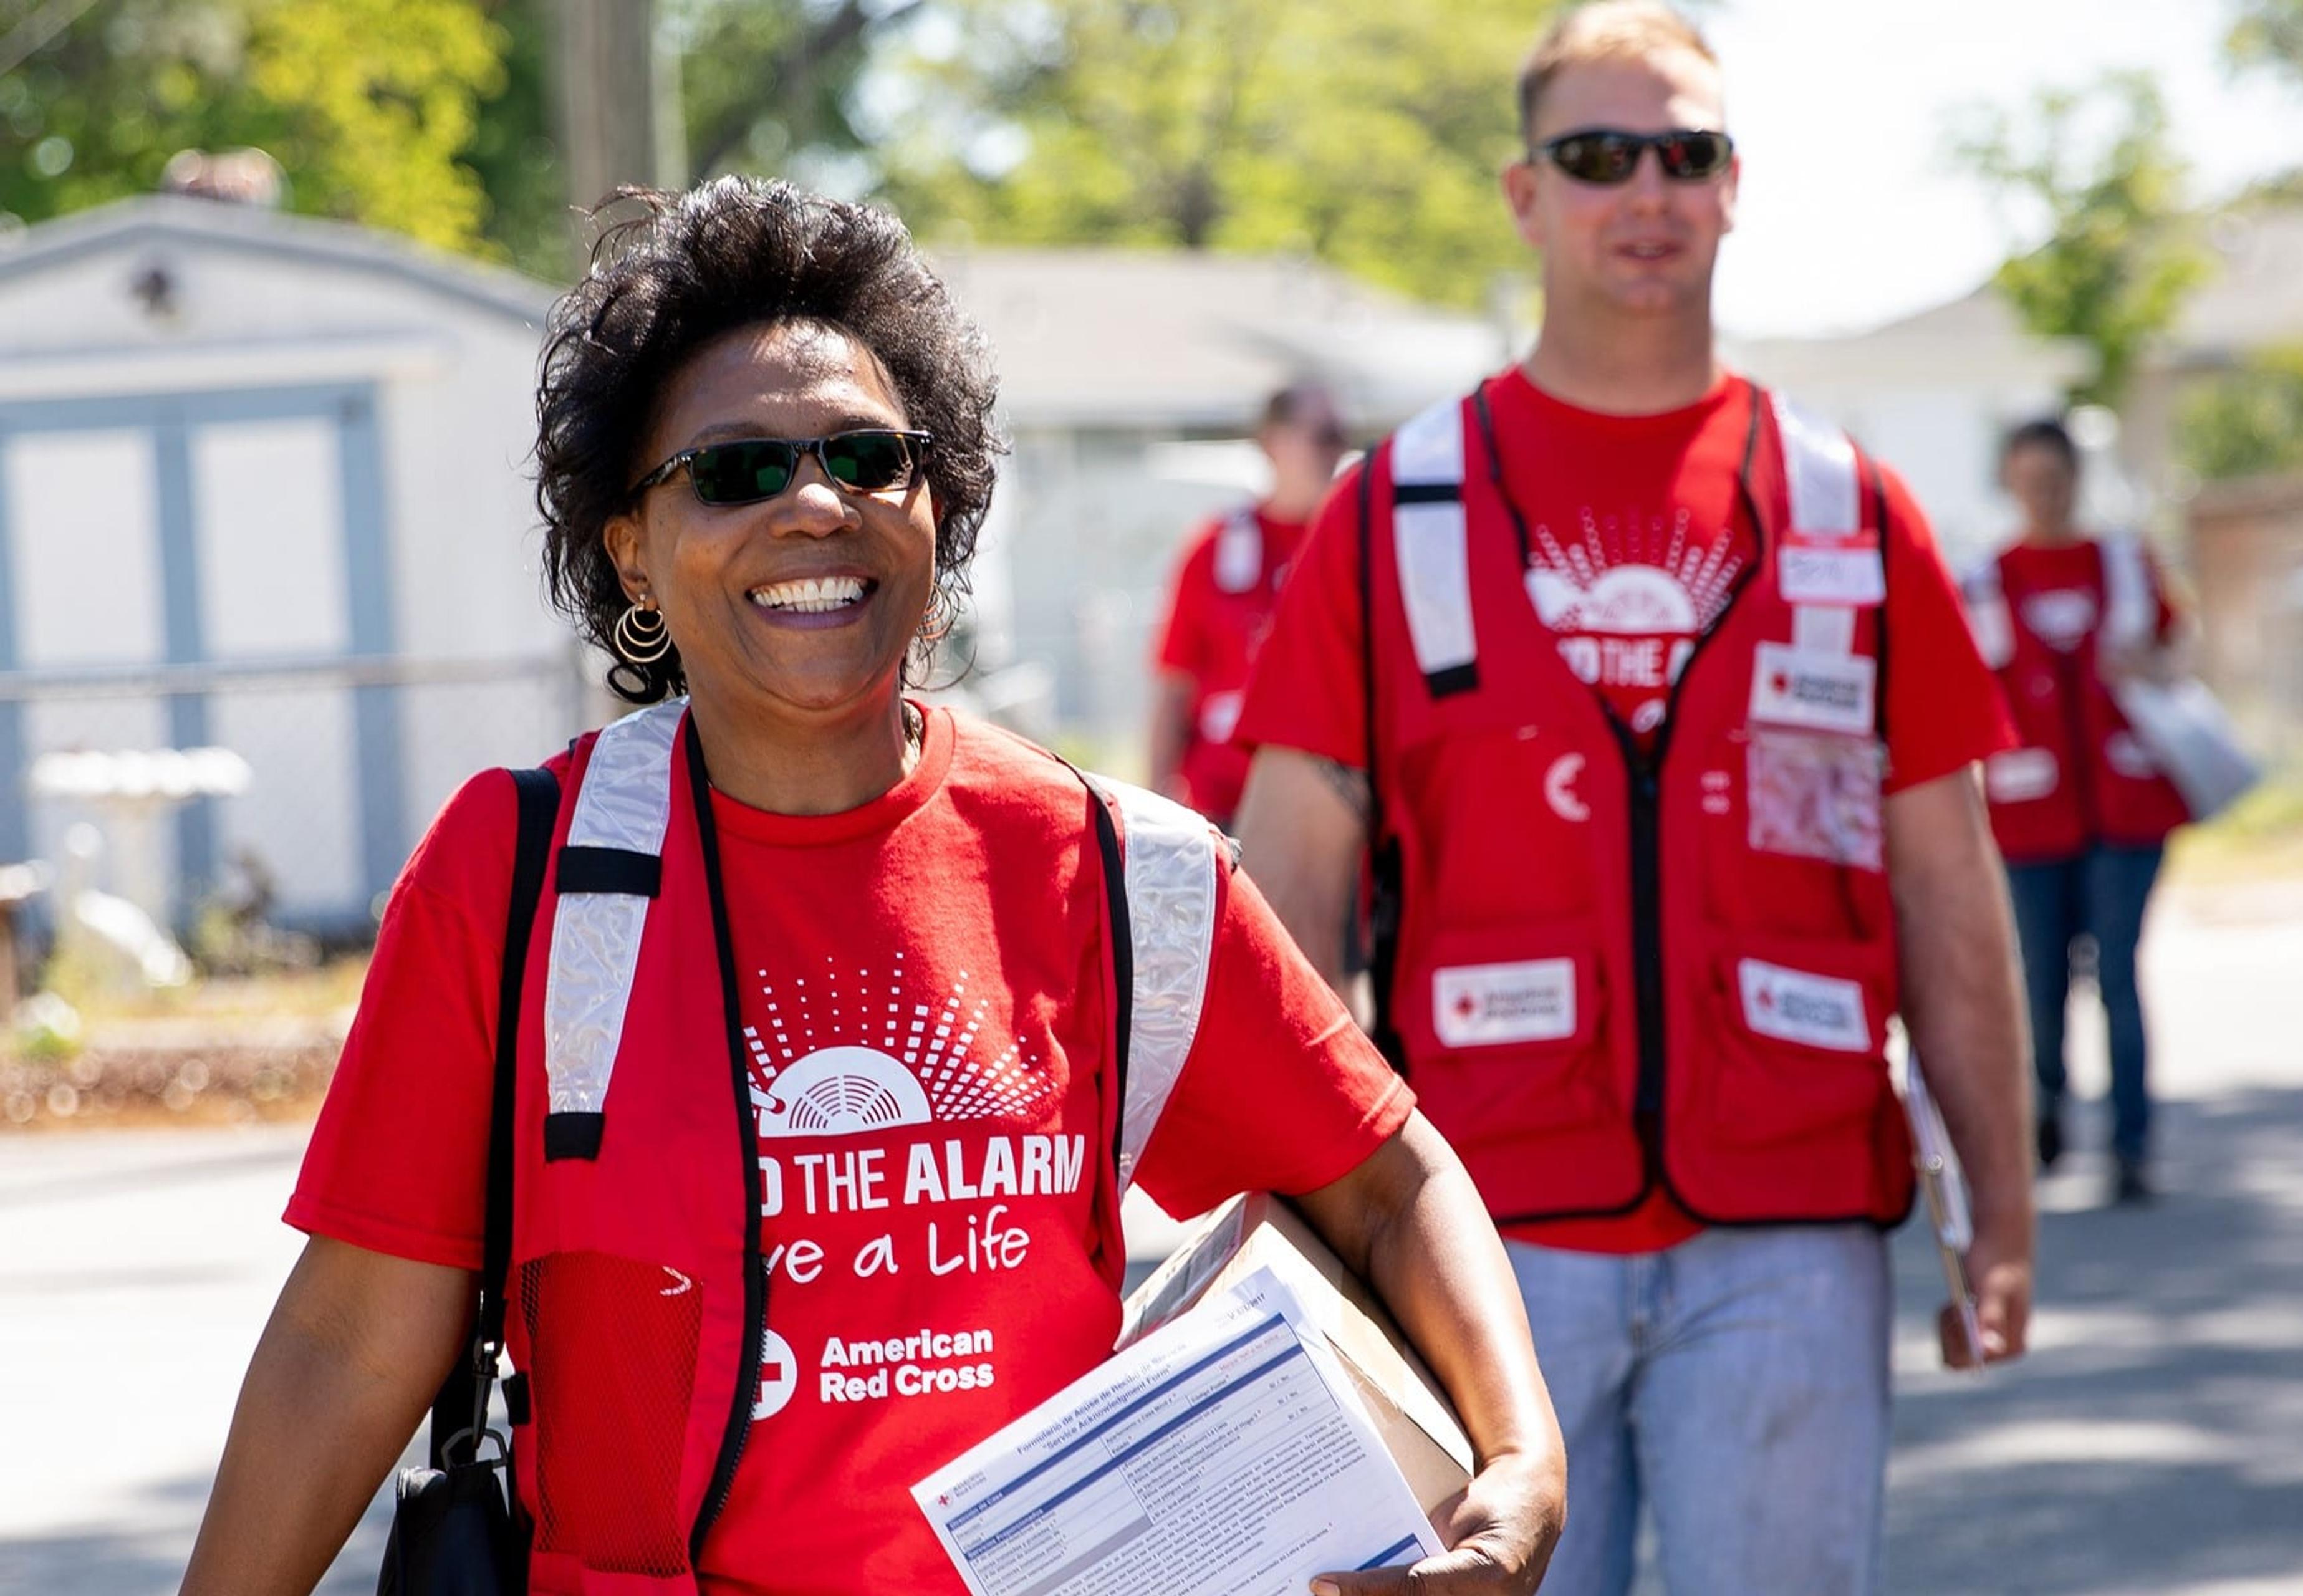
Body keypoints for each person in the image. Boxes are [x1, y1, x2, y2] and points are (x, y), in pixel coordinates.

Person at [180, 180, 1562, 1596]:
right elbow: (349, 1342)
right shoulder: (517, 872)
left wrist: (1520, 1459)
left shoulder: (1112, 870)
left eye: (867, 456)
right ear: (631, 550)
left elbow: (1389, 1184)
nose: (816, 502)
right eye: (734, 470)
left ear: (939, 511)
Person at [1229, 6, 2036, 1592]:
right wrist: (1295, 1234)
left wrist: (1998, 1201)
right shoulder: (1390, 515)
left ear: (1734, 187)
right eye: (1597, 157)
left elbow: (1949, 882)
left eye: (1686, 154)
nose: (1645, 192)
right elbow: (1286, 908)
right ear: (1525, 195)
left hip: (1791, 1233)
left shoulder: (1847, 509)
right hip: (1481, 1247)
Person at [1965, 418, 2190, 1205]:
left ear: (2073, 478)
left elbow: (2177, 648)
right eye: (2028, 480)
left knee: (2119, 972)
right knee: (2042, 976)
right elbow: (1966, 693)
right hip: (2032, 818)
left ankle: (2132, 1144)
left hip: (2126, 810)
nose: (2043, 494)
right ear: (2010, 482)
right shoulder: (1988, 580)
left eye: (2054, 478)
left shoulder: (2123, 564)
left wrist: (2151, 667)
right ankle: (2048, 1108)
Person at [1150, 382, 1350, 828]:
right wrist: (1152, 809)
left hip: (1327, 816)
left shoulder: (1357, 549)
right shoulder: (1215, 549)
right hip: (1221, 810)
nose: (1334, 451)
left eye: (1339, 436)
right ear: (1272, 442)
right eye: (1322, 435)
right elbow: (1173, 688)